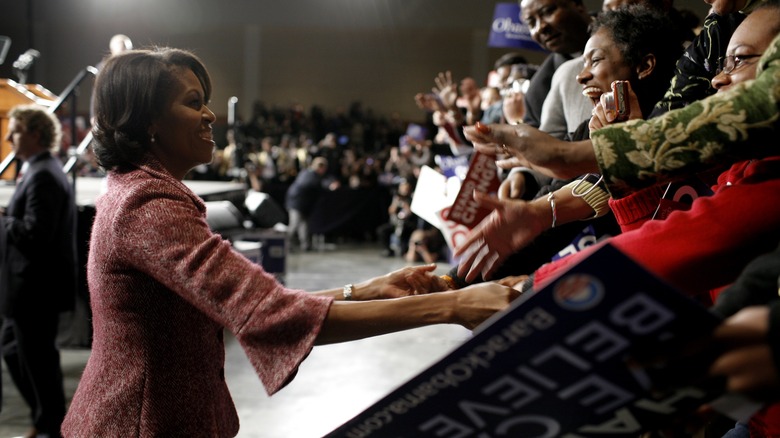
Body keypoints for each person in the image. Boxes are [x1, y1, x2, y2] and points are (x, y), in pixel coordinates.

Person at [60, 47, 519, 437]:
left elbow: (253, 303)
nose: (209, 115)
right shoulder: (149, 204)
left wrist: (363, 291)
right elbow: (266, 312)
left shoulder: (137, 191)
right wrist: (452, 306)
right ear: (147, 121)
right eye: (193, 101)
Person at [1, 105, 78, 438]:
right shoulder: (41, 168)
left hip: (35, 289)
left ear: (34, 134)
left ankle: (52, 428)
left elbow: (35, 235)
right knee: (16, 349)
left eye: (14, 131)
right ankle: (45, 421)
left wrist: (2, 220)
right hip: (33, 289)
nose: (7, 137)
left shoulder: (43, 173)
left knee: (39, 362)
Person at [519, 0, 593, 128]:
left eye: (548, 11)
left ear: (578, 5)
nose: (541, 27)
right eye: (531, 23)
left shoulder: (626, 30)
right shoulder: (539, 90)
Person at [285, 156, 336, 252]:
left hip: (303, 204)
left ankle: (306, 245)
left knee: (304, 224)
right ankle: (284, 244)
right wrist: (328, 185)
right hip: (296, 202)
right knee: (294, 224)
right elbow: (315, 184)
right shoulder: (309, 174)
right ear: (321, 167)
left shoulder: (312, 174)